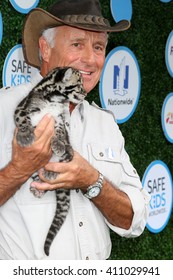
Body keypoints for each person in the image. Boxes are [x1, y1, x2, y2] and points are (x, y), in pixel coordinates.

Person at [0, 0, 150, 260]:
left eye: (99, 47)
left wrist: (93, 181)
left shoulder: (105, 124)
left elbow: (134, 221)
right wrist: (18, 170)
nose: (91, 59)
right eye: (77, 44)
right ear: (45, 49)